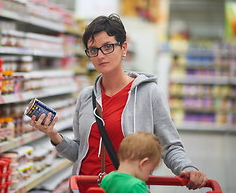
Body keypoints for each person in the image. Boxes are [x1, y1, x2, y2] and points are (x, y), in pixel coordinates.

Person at [30, 13, 207, 192]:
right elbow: (79, 152)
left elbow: (170, 146)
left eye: (107, 47)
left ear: (123, 48)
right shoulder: (85, 97)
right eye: (93, 50)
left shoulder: (149, 93)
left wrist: (187, 169)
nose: (100, 55)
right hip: (84, 188)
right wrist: (53, 134)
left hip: (125, 189)